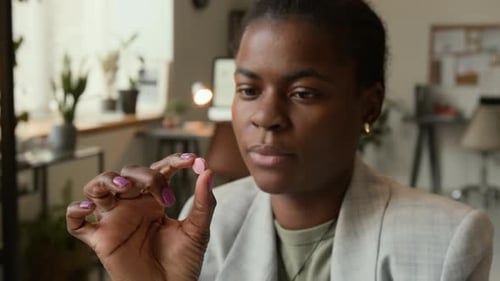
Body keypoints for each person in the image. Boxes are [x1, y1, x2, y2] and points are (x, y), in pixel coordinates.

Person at [66, 0, 494, 280]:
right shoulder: (209, 225)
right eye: (249, 91)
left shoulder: (445, 241)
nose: (266, 118)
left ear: (368, 106)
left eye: (303, 93)